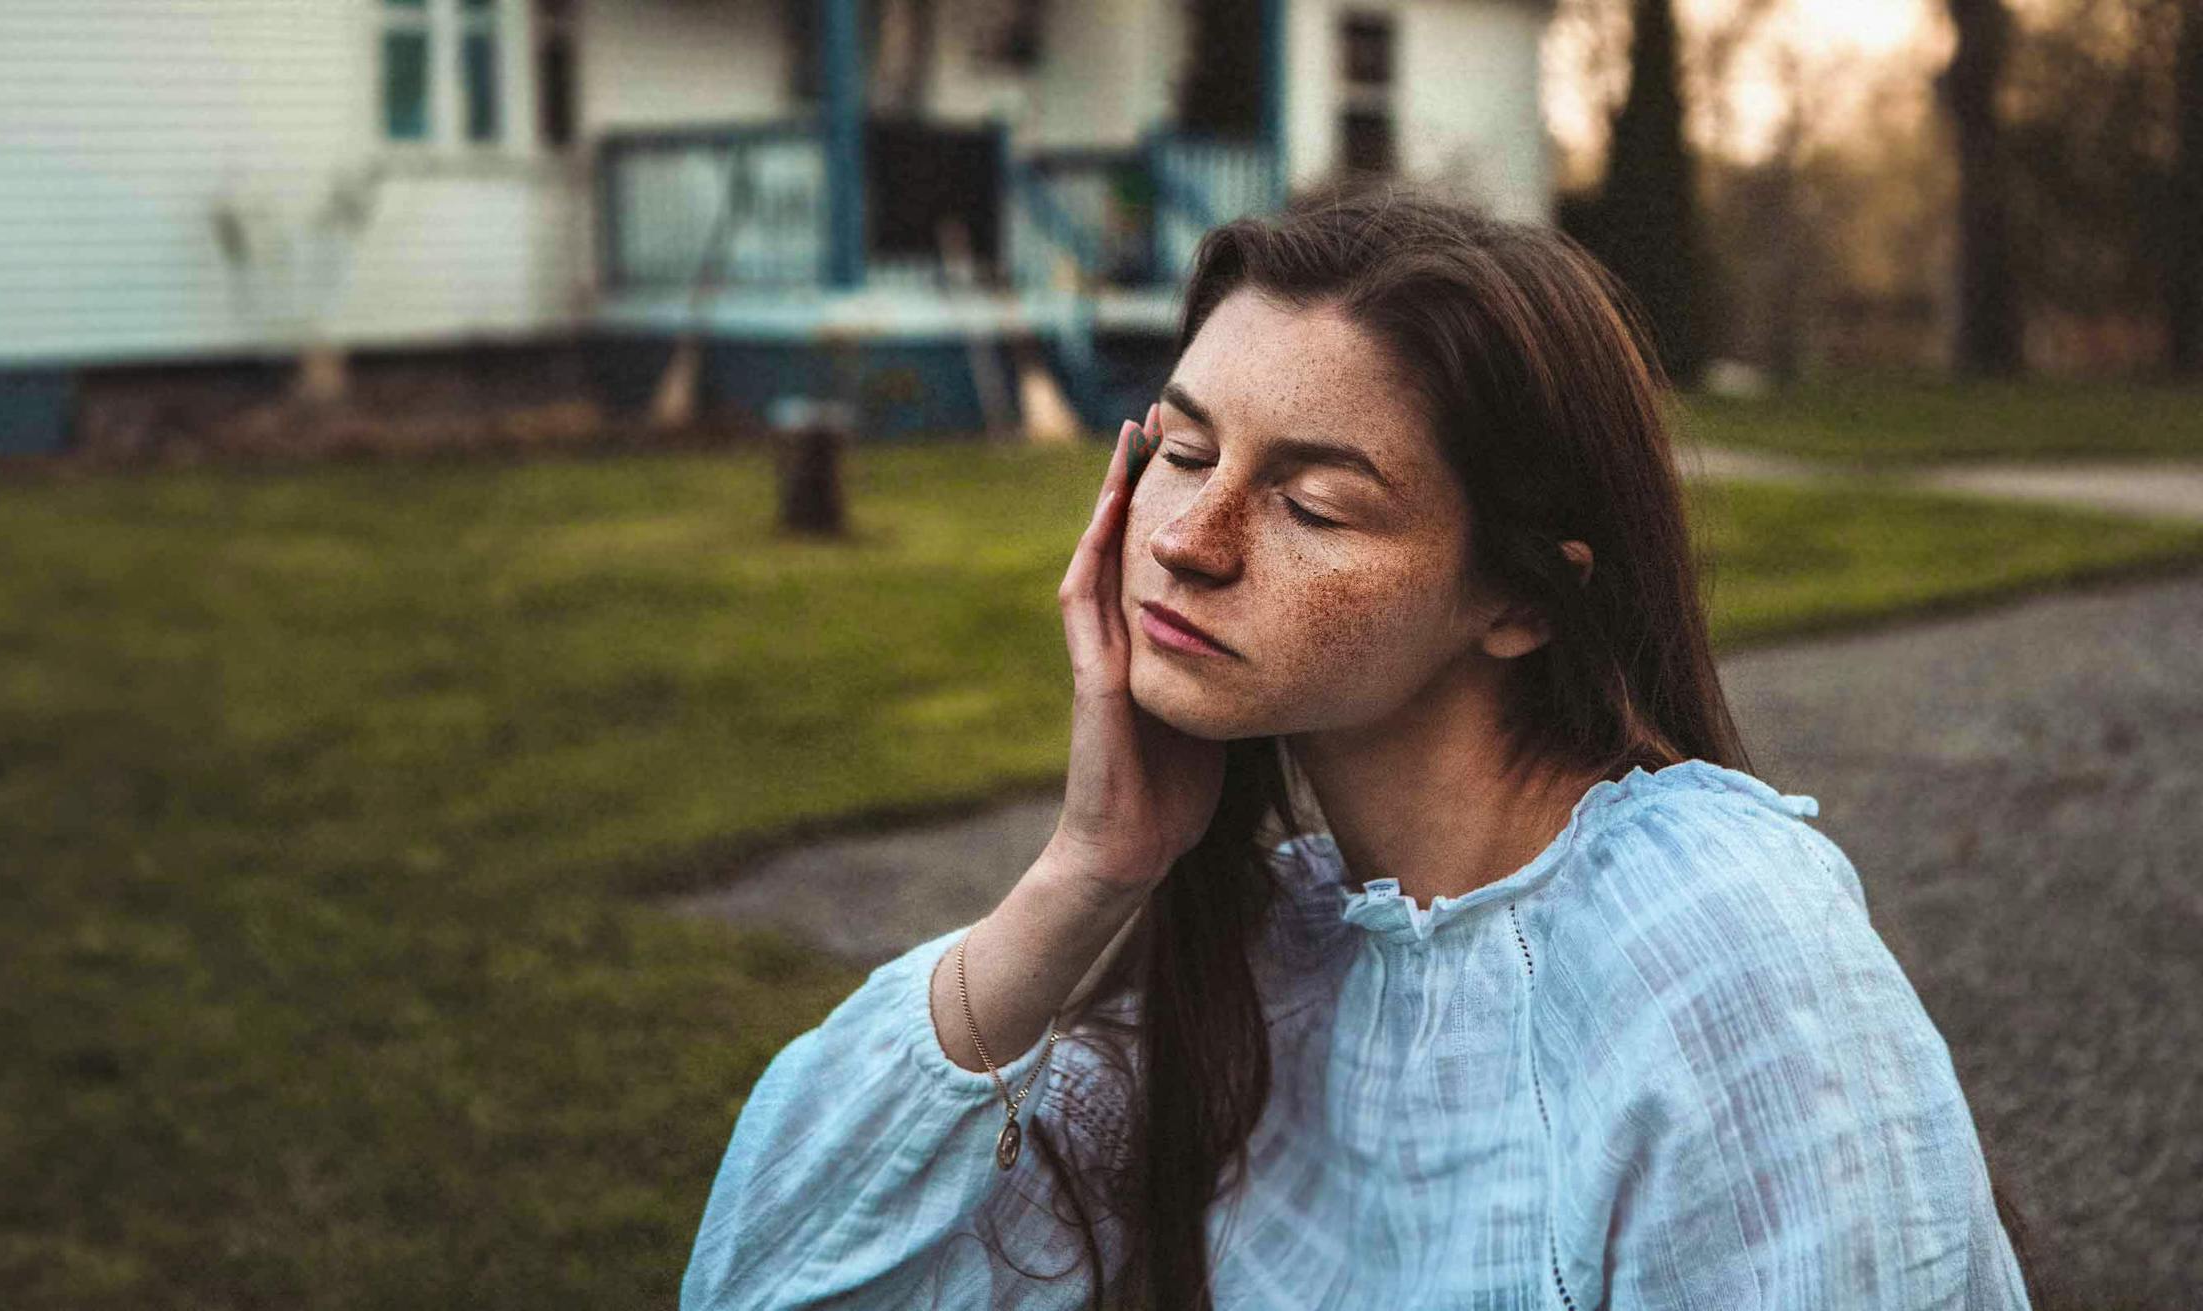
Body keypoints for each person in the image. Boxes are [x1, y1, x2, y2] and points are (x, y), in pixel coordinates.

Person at [680, 182, 2040, 1309]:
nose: (1186, 542)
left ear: (1517, 597)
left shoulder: (1714, 944)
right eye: (1181, 449)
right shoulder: (1276, 968)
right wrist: (1089, 867)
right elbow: (771, 1280)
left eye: (1313, 504)